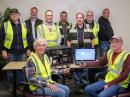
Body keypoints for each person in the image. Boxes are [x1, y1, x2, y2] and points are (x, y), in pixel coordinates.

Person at [0, 8, 31, 91]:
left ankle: (20, 85)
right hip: (10, 52)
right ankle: (11, 86)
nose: (14, 15)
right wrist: (3, 50)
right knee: (10, 70)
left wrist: (29, 48)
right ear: (10, 16)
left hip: (22, 52)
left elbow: (29, 37)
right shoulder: (5, 25)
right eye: (12, 14)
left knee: (21, 69)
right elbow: (1, 38)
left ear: (19, 15)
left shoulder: (24, 25)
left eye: (15, 14)